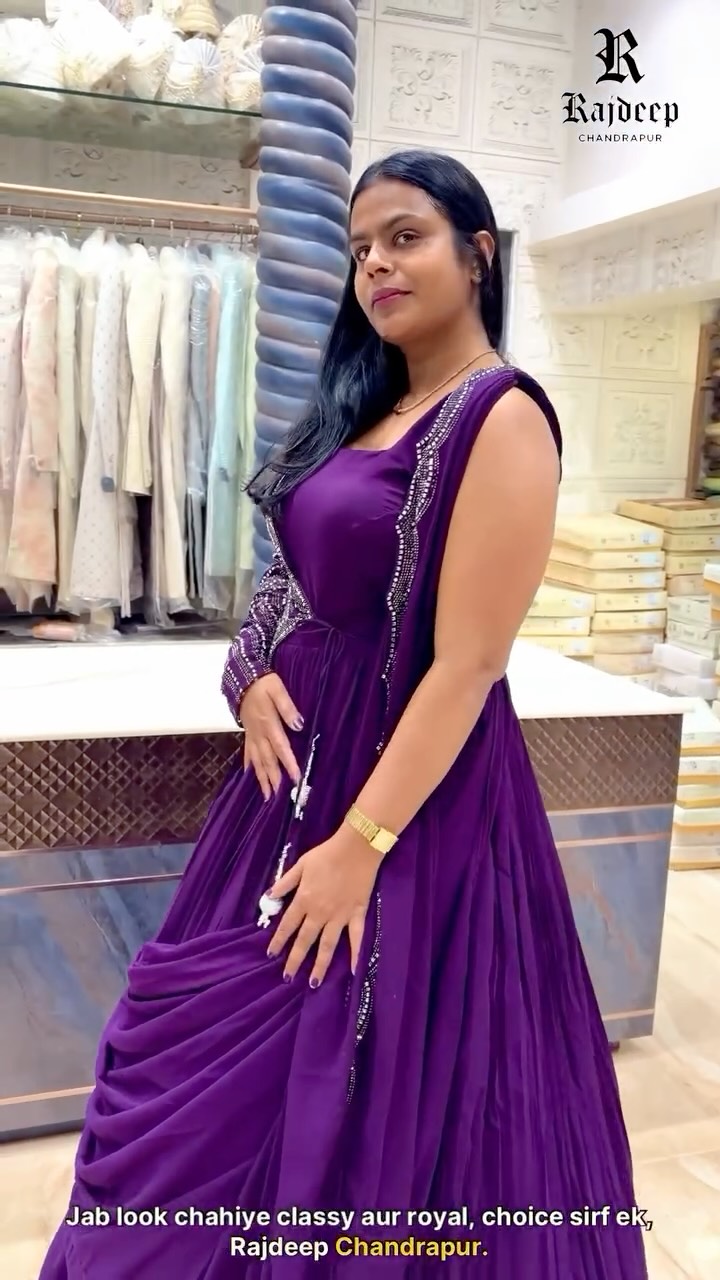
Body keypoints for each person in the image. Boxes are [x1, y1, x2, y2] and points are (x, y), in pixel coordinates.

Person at [40, 150, 647, 1278]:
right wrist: (249, 673)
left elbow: (468, 664)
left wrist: (360, 848)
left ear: (478, 252)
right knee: (215, 1078)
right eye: (362, 248)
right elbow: (294, 575)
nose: (376, 265)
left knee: (364, 1076)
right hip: (284, 792)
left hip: (410, 813)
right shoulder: (369, 406)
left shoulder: (501, 415)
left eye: (405, 237)